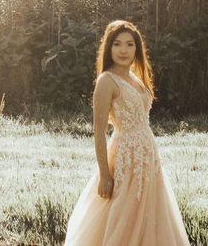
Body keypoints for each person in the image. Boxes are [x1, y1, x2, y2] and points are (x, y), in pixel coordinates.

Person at [64, 19, 189, 246]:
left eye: (130, 44)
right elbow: (99, 131)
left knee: (150, 214)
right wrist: (104, 173)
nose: (123, 50)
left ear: (137, 49)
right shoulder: (106, 81)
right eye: (117, 44)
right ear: (109, 47)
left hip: (148, 156)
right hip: (125, 156)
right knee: (124, 212)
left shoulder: (136, 78)